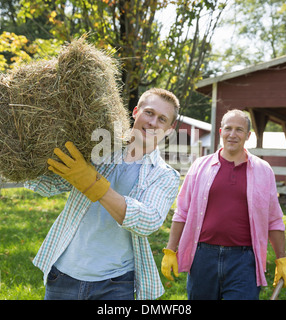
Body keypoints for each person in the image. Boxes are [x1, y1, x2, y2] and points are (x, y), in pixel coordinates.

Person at [25, 88, 180, 300]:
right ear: (135, 111)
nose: (153, 122)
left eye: (162, 119)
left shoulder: (164, 176)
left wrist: (94, 184)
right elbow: (48, 186)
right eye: (149, 113)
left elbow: (147, 222)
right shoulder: (99, 150)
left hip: (115, 284)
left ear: (170, 129)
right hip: (63, 273)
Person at [161, 109, 286, 300]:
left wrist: (281, 260)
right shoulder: (199, 166)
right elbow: (182, 212)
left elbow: (274, 220)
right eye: (228, 128)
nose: (232, 134)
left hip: (244, 260)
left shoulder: (263, 171)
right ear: (221, 131)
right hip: (203, 257)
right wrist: (170, 250)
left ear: (248, 136)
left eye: (239, 130)